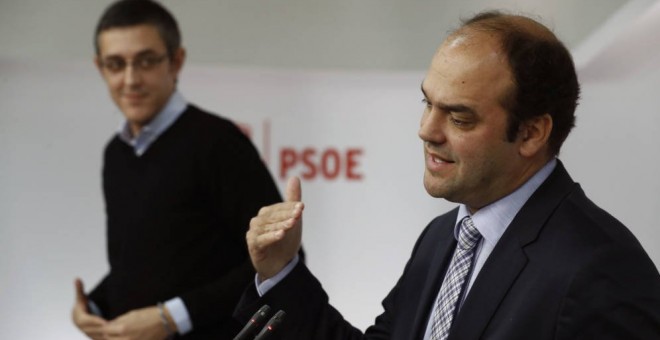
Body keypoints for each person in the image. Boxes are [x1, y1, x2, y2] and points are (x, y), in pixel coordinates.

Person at [235, 11, 660, 339]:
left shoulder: (599, 268)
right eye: (427, 104)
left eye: (459, 117)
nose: (426, 131)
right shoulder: (443, 238)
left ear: (531, 133)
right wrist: (281, 273)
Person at [71, 1, 283, 339]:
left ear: (176, 61)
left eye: (146, 61)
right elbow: (146, 263)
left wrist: (171, 317)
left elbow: (282, 262)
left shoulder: (219, 142)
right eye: (115, 64)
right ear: (100, 68)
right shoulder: (116, 153)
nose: (130, 79)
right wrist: (94, 306)